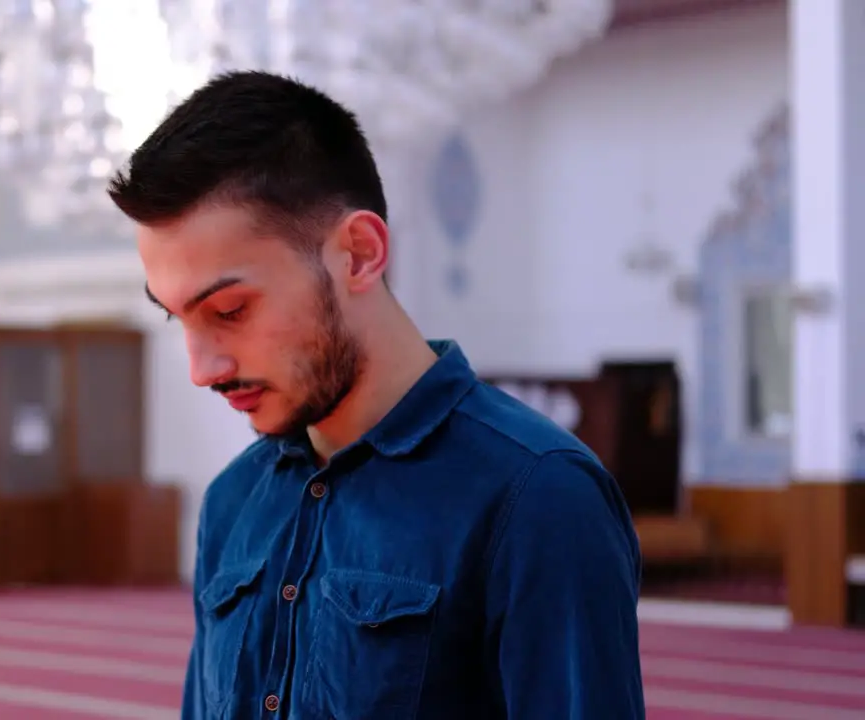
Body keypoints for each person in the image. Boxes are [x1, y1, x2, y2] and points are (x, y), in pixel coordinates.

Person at [107, 70, 645, 720]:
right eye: (178, 319)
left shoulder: (537, 496)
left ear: (359, 254)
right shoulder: (233, 502)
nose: (202, 368)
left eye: (229, 310)